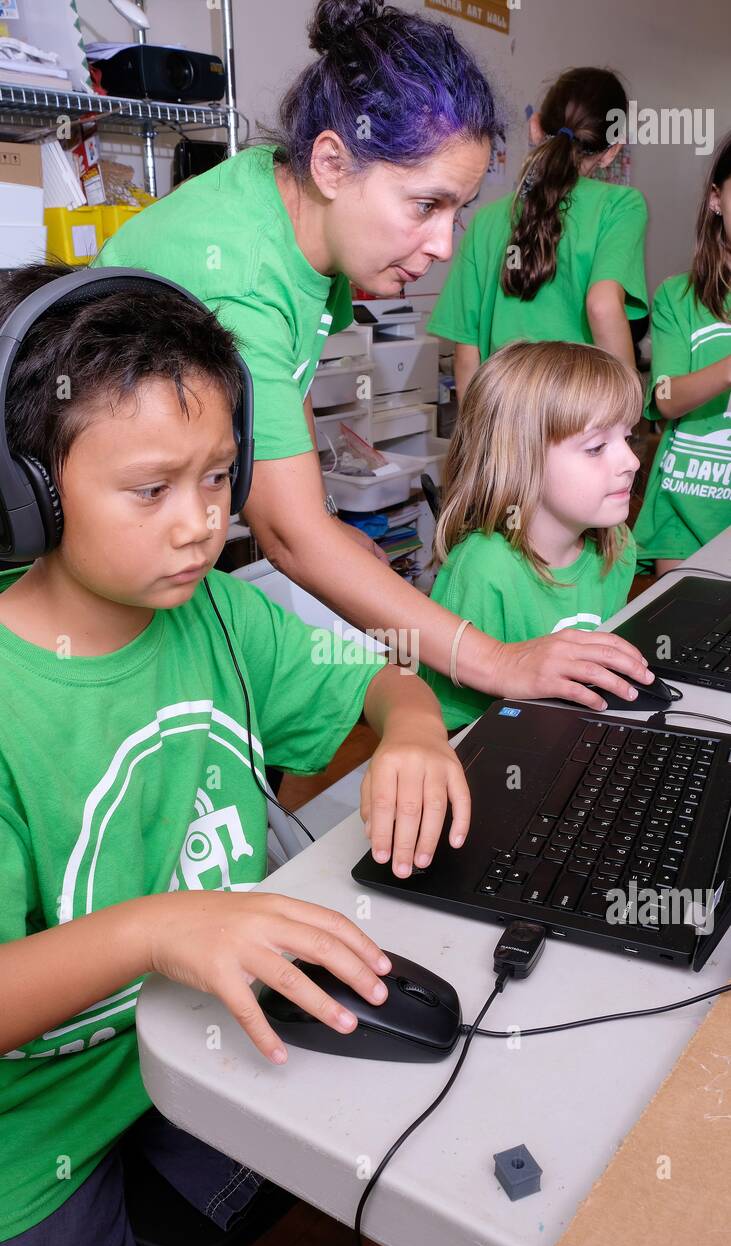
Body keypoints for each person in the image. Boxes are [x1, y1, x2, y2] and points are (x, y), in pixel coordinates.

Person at [0, 262, 471, 1246]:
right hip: (27, 1147)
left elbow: (378, 685)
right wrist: (157, 928)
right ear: (26, 491)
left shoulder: (221, 612)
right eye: (151, 488)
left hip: (179, 1041)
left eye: (219, 477)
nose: (199, 522)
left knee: (411, 1151)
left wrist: (416, 727)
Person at [95, 3, 652, 713]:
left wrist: (324, 520)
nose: (447, 245)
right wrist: (495, 661)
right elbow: (286, 535)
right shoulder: (238, 275)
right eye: (425, 205)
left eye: (458, 211)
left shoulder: (299, 221)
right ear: (331, 162)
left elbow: (284, 403)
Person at [420, 341, 643, 730]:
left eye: (629, 437)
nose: (632, 461)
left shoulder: (618, 546)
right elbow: (450, 727)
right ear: (520, 460)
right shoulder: (483, 570)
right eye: (596, 448)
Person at [428, 67, 649, 401]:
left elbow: (467, 352)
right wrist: (626, 408)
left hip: (502, 420)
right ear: (612, 150)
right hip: (575, 420)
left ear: (535, 127)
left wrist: (475, 444)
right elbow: (603, 306)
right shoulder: (620, 206)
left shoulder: (486, 221)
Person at [634, 132, 731, 575]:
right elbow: (665, 397)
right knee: (680, 640)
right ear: (716, 199)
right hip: (685, 510)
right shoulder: (679, 296)